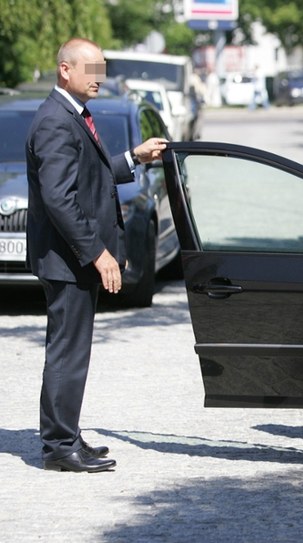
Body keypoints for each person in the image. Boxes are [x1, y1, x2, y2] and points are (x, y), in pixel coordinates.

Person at [26, 38, 168, 473]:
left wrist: (133, 157)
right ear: (65, 70)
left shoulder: (72, 114)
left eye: (102, 68)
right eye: (92, 69)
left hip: (73, 258)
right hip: (68, 260)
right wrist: (98, 254)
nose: (99, 78)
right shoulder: (55, 120)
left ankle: (66, 434)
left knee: (72, 351)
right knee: (67, 353)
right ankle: (58, 447)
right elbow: (60, 199)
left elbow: (91, 174)